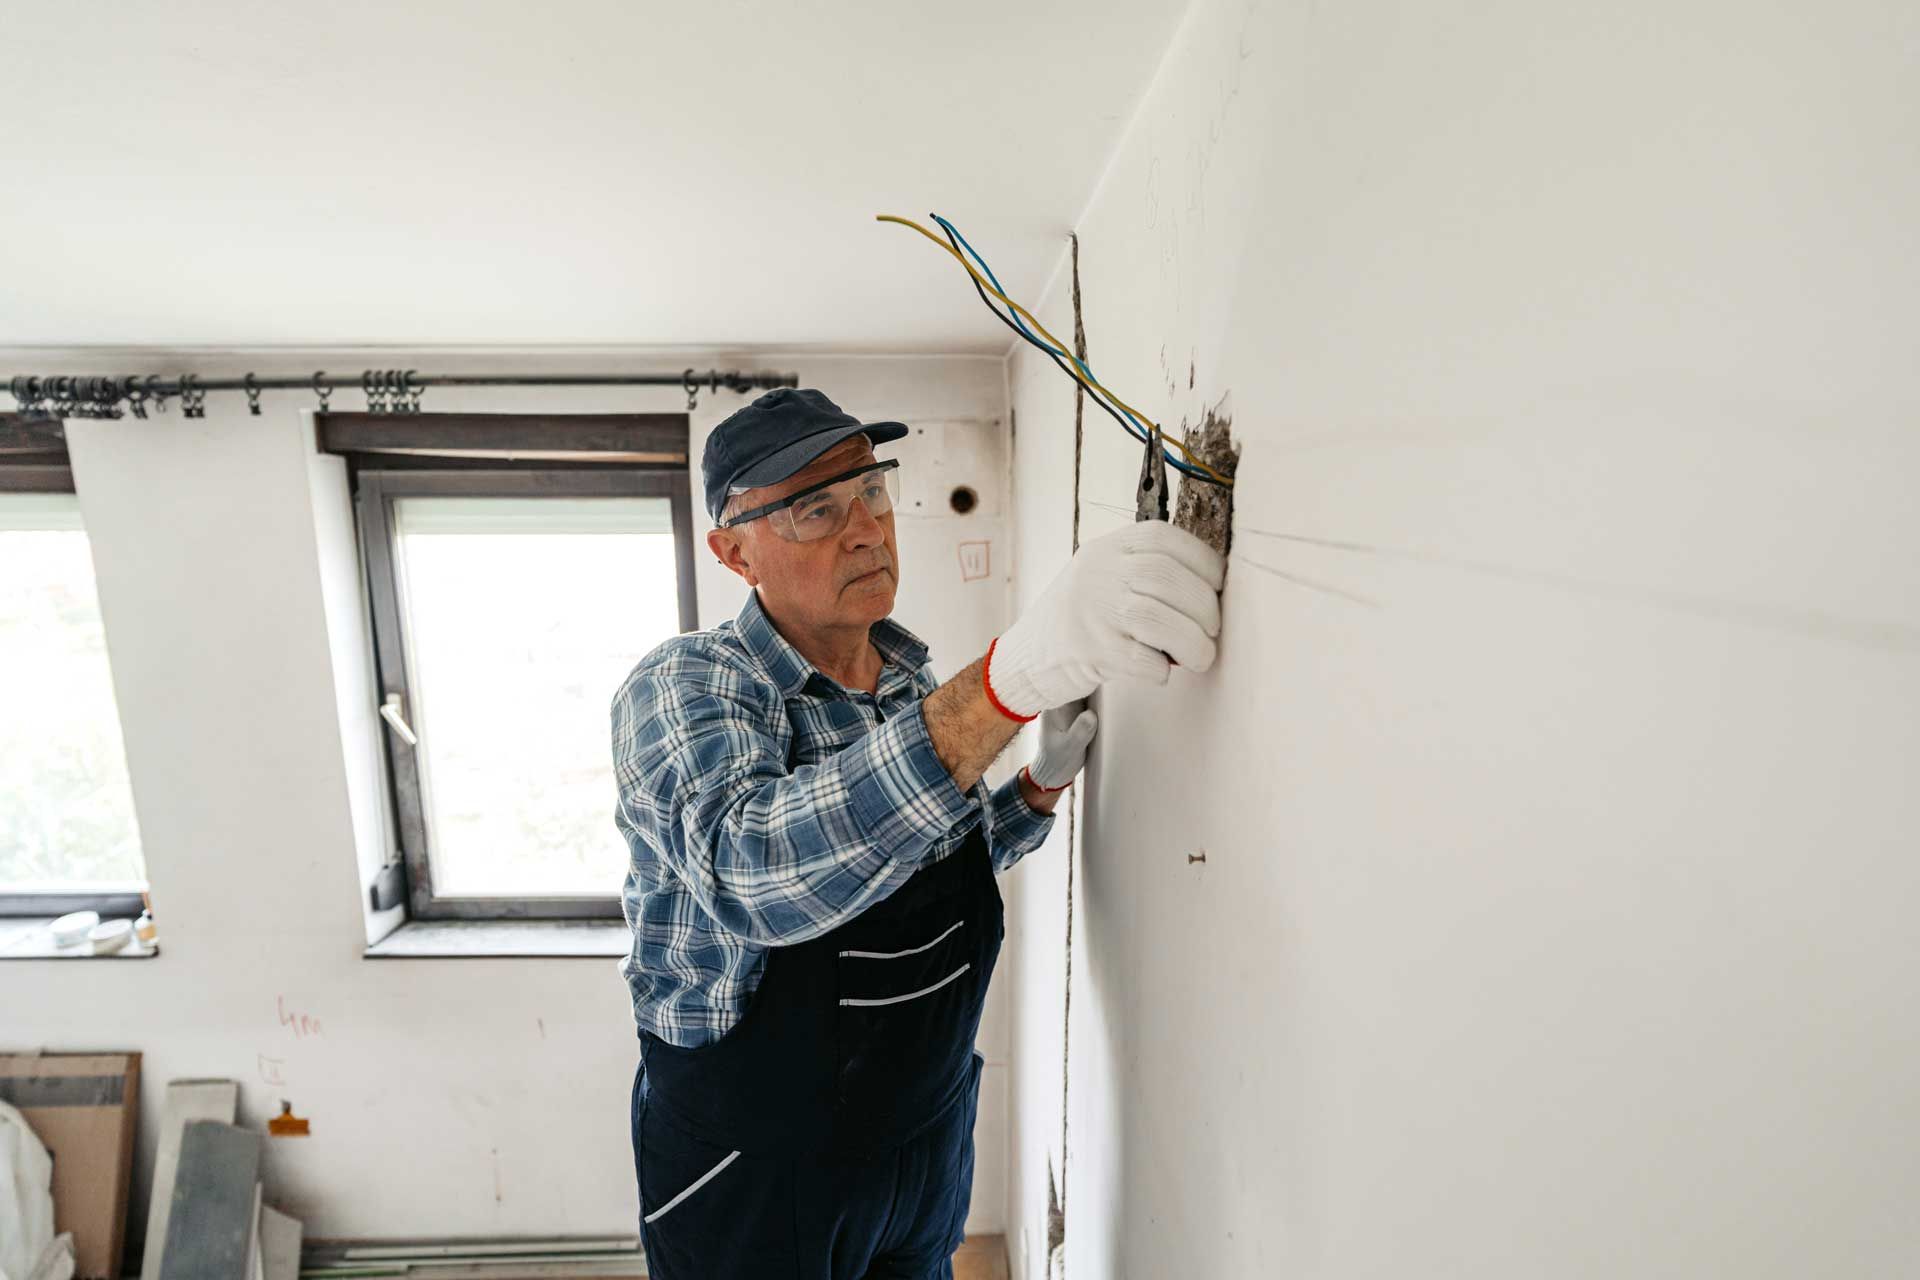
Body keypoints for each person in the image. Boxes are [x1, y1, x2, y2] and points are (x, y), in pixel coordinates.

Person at [612, 387, 1225, 1278]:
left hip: (922, 1139)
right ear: (733, 550)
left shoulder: (906, 681)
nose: (864, 528)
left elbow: (933, 865)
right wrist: (1007, 680)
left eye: (871, 489)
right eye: (813, 507)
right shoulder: (688, 685)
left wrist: (1037, 787)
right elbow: (754, 876)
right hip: (750, 1162)